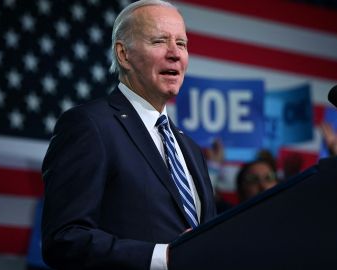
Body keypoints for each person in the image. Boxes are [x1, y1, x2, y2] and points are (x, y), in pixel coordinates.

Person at [40, 1, 217, 269]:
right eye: (160, 41)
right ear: (123, 55)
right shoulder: (90, 126)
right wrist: (163, 258)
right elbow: (64, 239)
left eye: (181, 44)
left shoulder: (190, 147)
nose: (175, 54)